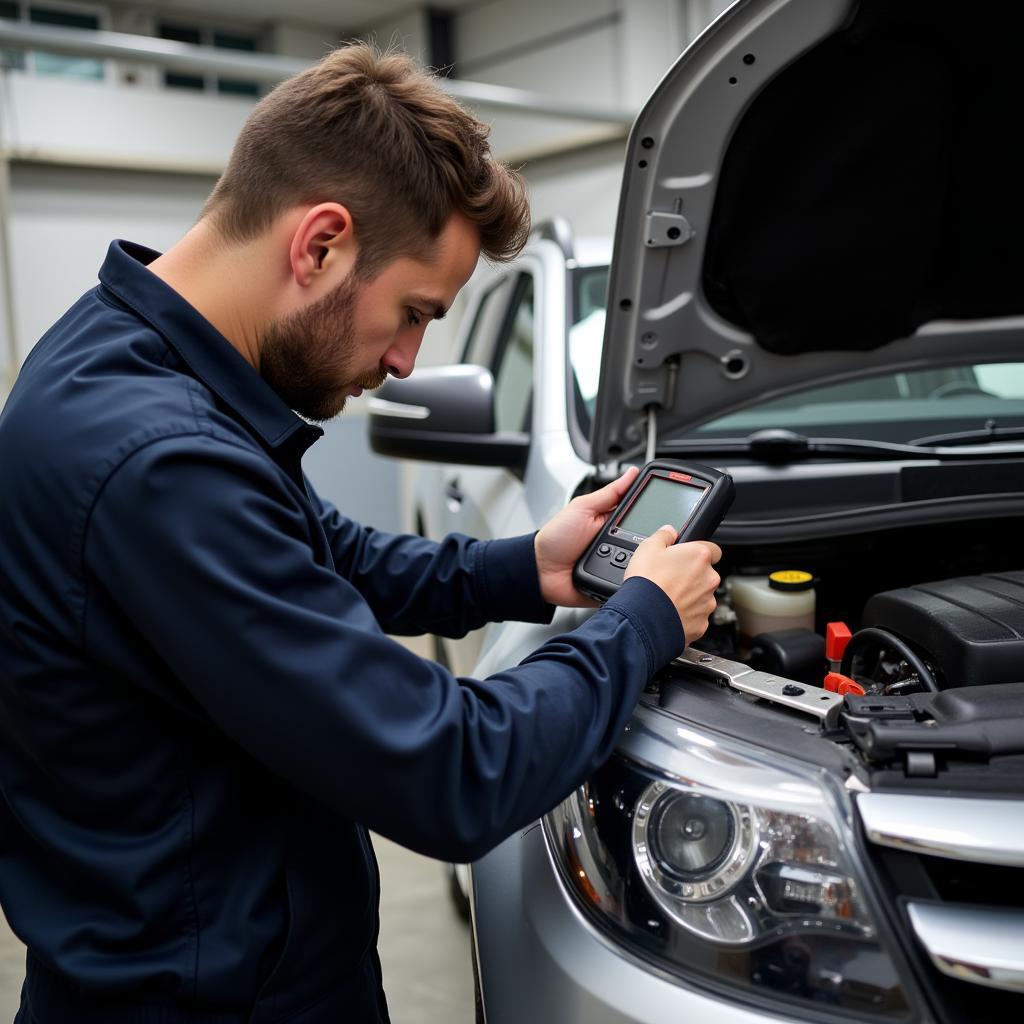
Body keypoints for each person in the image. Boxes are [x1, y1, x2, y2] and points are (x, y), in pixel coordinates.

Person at [0, 43, 721, 1024]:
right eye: (413, 313)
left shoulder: (129, 356)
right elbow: (449, 771)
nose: (406, 360)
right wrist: (641, 620)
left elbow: (324, 554)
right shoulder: (158, 462)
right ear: (321, 245)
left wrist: (529, 566)